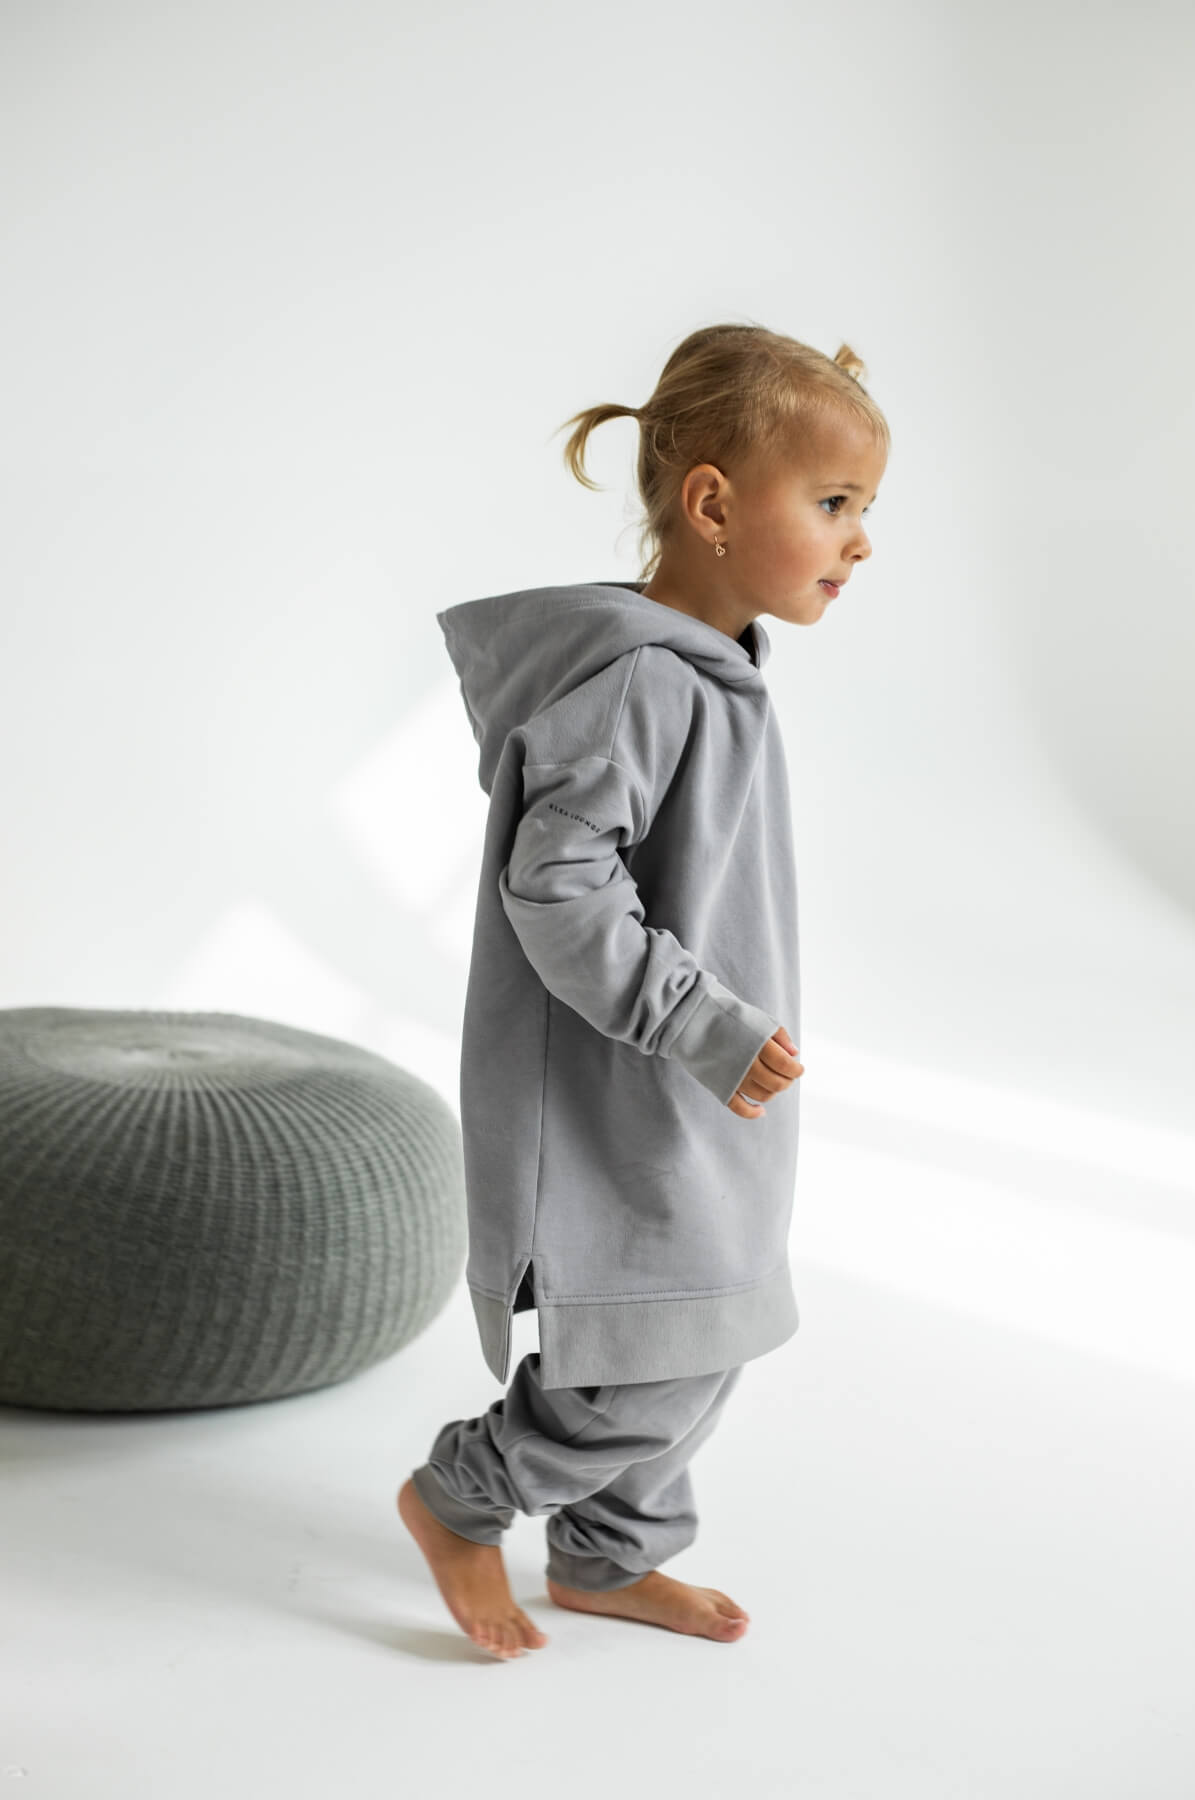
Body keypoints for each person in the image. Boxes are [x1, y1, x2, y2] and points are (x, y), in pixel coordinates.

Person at [398, 321, 890, 1660]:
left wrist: (722, 1035)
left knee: (710, 1327)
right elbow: (557, 889)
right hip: (627, 1085)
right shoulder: (639, 684)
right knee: (654, 1349)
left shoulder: (712, 674)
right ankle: (460, 1498)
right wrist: (696, 1018)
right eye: (833, 503)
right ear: (713, 506)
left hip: (700, 1082)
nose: (859, 542)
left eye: (864, 509)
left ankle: (608, 1556)